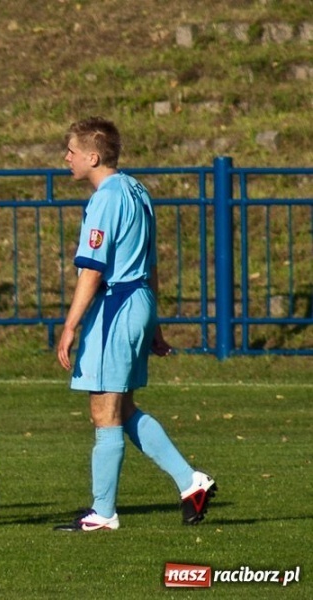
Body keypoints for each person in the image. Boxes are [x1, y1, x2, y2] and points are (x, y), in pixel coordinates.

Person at [54, 117, 217, 532]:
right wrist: (155, 324)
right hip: (139, 300)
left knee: (104, 409)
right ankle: (190, 481)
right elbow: (153, 263)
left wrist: (70, 325)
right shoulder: (137, 190)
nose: (66, 158)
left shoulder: (107, 198)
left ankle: (103, 513)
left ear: (93, 156)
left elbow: (92, 271)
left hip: (117, 303)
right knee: (123, 407)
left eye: (71, 151)